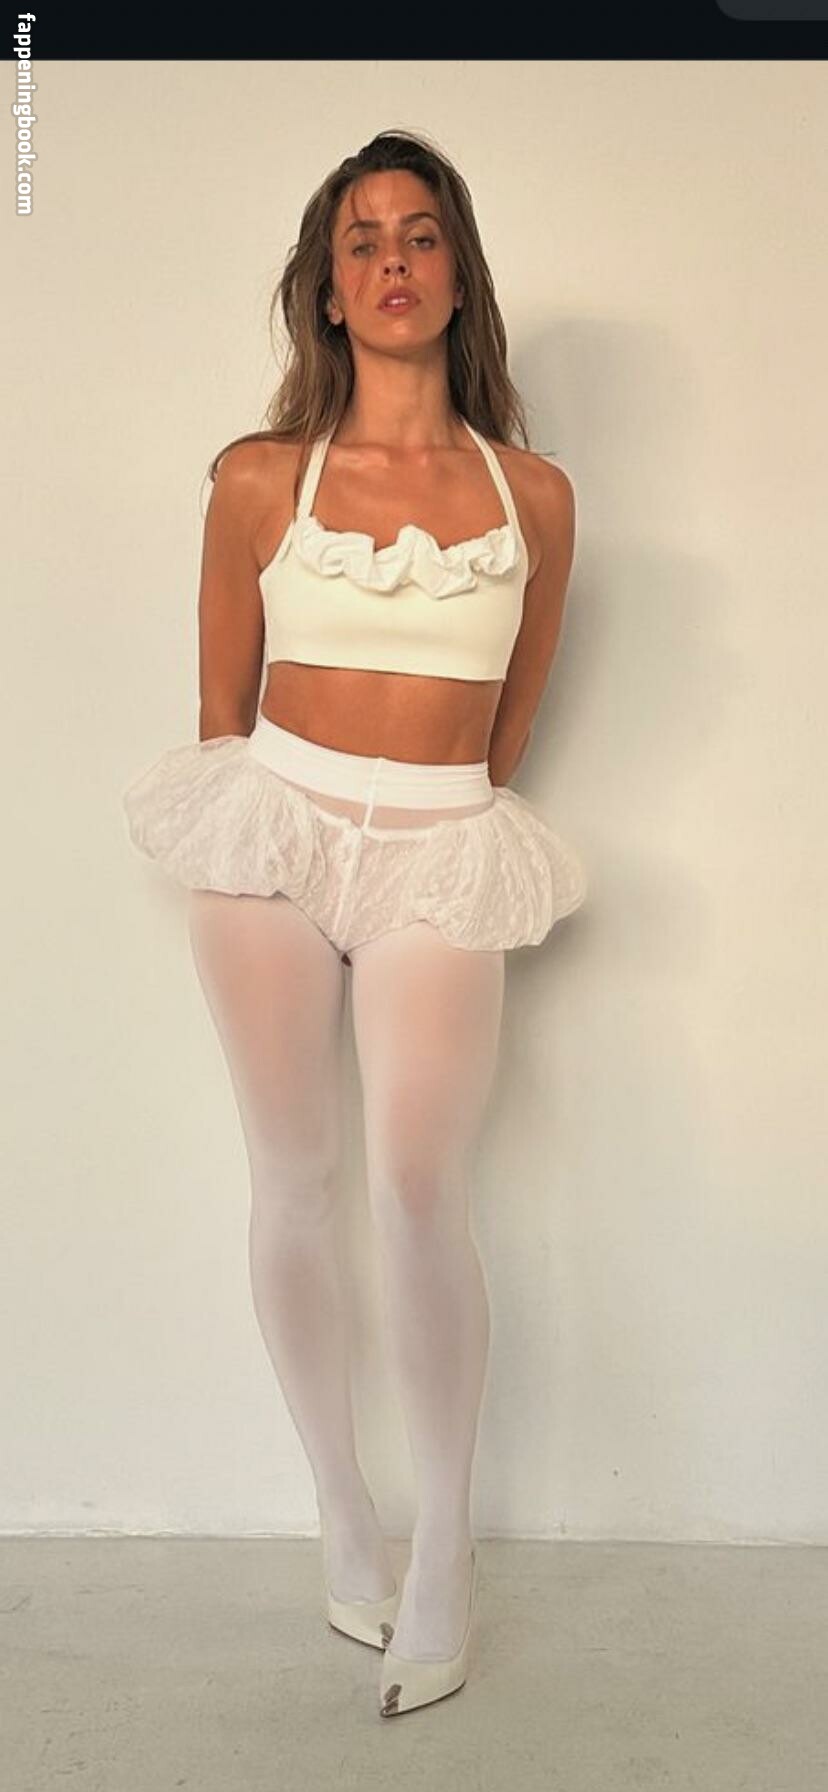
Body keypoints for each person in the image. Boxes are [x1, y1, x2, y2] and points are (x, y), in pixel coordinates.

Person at [121, 127, 587, 1718]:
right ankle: (343, 1504)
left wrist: (416, 805)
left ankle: (444, 1543)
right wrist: (301, 815)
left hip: (441, 846)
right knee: (297, 1176)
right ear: (328, 287)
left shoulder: (536, 496)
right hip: (274, 831)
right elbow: (220, 709)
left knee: (416, 1180)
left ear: (459, 275)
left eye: (421, 233)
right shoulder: (259, 478)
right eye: (363, 239)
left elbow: (508, 729)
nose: (393, 260)